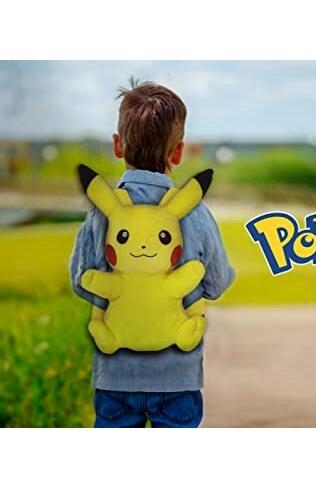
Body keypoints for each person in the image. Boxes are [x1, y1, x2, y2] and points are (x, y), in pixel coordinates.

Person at [69, 78, 234, 427]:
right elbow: (217, 283)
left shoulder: (101, 213)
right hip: (177, 378)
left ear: (118, 145)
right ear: (178, 152)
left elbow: (82, 281)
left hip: (115, 377)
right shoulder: (195, 212)